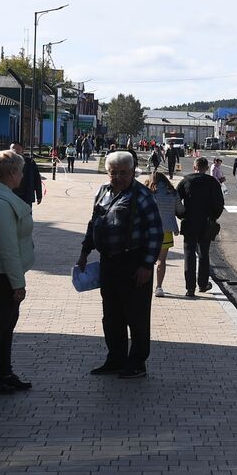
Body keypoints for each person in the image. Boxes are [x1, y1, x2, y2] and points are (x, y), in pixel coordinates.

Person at [77, 151, 162, 379]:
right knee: (111, 315)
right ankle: (115, 359)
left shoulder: (142, 195)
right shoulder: (103, 192)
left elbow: (155, 234)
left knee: (136, 316)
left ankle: (136, 364)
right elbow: (93, 223)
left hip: (134, 264)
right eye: (113, 173)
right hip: (109, 263)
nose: (118, 177)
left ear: (132, 172)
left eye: (123, 173)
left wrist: (146, 265)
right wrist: (85, 252)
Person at [0, 149, 36, 395]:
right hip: (5, 273)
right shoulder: (1, 204)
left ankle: (4, 372)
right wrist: (17, 283)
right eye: (21, 171)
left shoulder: (4, 197)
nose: (22, 175)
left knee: (6, 324)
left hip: (8, 272)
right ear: (12, 173)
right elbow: (8, 248)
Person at [178, 157, 226, 298]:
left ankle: (190, 288)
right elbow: (219, 203)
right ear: (206, 168)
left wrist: (181, 215)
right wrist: (213, 217)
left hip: (189, 222)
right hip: (206, 223)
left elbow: (175, 199)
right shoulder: (212, 182)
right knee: (204, 253)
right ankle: (203, 284)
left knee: (189, 254)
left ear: (195, 167)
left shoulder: (186, 181)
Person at [148, 171, 179, 298]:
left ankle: (146, 286)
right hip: (166, 230)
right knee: (162, 260)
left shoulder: (149, 192)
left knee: (148, 260)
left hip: (150, 230)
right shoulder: (172, 193)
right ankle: (159, 287)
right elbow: (180, 209)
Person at [9, 142, 43, 207]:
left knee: (26, 215)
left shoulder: (30, 162)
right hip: (11, 194)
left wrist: (39, 195)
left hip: (26, 195)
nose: (15, 151)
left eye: (18, 149)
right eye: (13, 148)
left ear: (22, 150)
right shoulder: (5, 162)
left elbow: (37, 179)